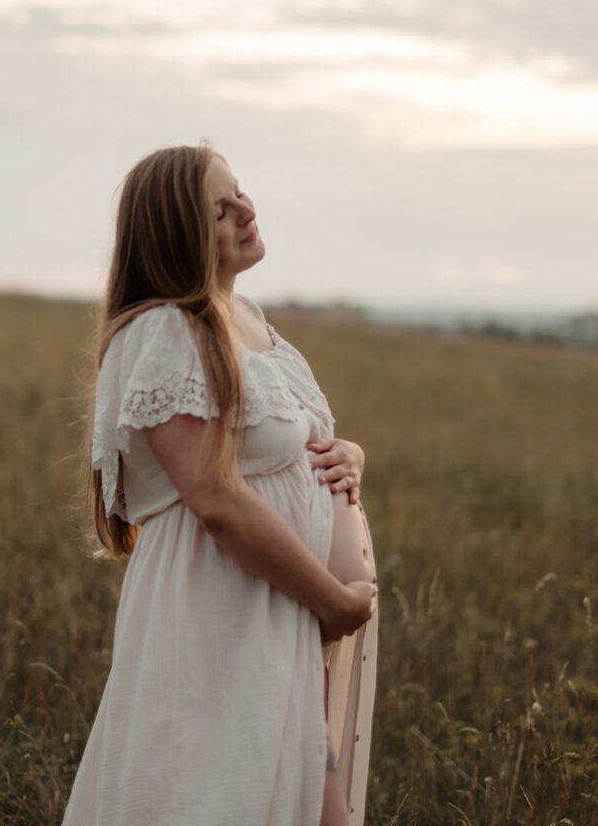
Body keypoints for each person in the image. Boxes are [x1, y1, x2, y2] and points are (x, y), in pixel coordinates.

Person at [62, 140, 378, 826]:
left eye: (240, 192)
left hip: (279, 615)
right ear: (178, 234)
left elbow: (292, 445)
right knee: (207, 799)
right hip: (222, 613)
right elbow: (218, 502)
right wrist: (333, 601)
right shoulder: (164, 332)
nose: (244, 210)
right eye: (217, 210)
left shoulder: (253, 322)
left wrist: (348, 455)